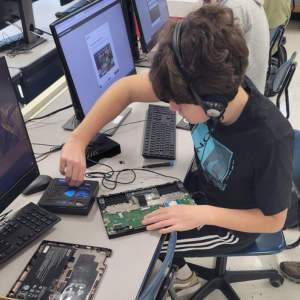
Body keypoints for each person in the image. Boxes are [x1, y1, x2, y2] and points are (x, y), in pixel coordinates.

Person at [59, 5, 294, 298]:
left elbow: (274, 220)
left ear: (213, 104)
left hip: (231, 224)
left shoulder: (270, 138)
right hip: (198, 191)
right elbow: (126, 89)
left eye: (178, 102)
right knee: (117, 211)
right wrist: (78, 139)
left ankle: (179, 278)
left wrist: (201, 214)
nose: (171, 107)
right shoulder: (206, 83)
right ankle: (183, 273)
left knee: (136, 244)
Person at [204, 0, 269, 94]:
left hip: (244, 92)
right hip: (254, 88)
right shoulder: (245, 3)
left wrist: (209, 12)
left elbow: (217, 58)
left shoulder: (234, 7)